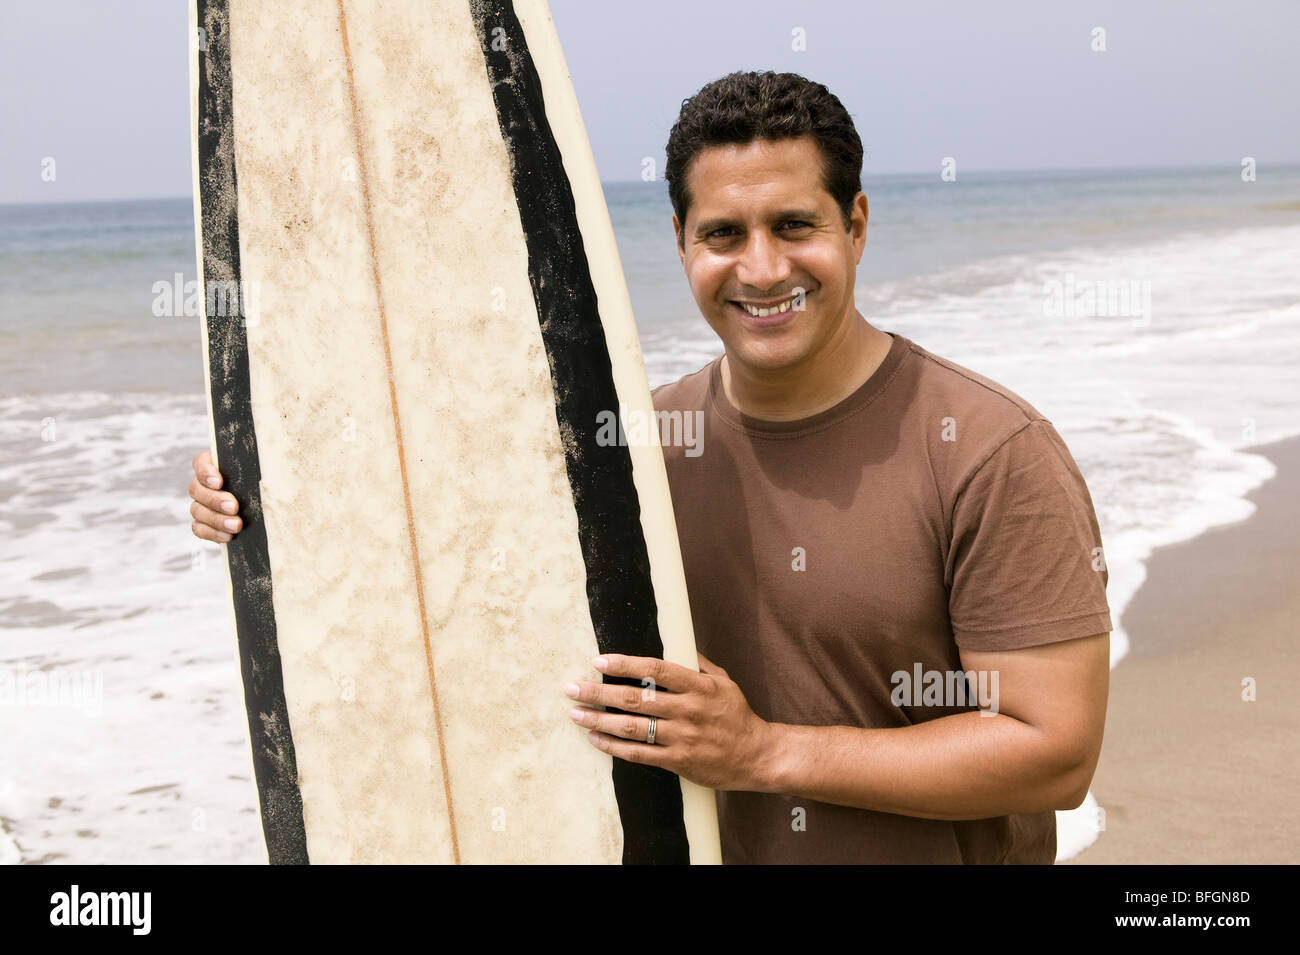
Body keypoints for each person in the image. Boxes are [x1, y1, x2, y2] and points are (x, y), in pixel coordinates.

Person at [189, 71, 1111, 864]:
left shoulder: (987, 449)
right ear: (679, 240)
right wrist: (262, 501)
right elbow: (445, 551)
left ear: (857, 224)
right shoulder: (633, 448)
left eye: (795, 224)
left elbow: (1054, 751)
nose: (761, 267)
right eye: (722, 233)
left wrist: (762, 754)